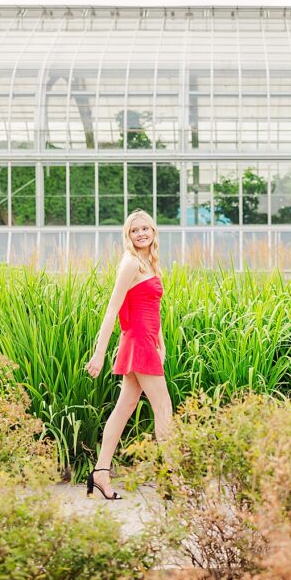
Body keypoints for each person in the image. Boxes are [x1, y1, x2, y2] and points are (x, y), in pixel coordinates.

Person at [84, 209, 173, 500]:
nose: (141, 234)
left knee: (125, 406)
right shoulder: (130, 264)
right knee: (163, 406)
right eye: (135, 230)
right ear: (128, 235)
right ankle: (172, 478)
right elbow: (112, 310)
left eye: (146, 228)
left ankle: (100, 473)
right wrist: (99, 354)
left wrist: (161, 342)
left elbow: (152, 308)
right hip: (136, 342)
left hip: (146, 341)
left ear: (153, 231)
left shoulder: (149, 263)